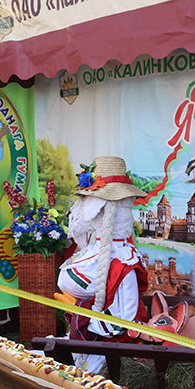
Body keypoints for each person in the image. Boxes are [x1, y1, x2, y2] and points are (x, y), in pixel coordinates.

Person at [56, 156, 149, 373]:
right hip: (95, 335)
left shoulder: (124, 263)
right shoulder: (94, 251)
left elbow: (124, 322)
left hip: (114, 344)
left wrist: (82, 317)